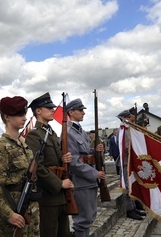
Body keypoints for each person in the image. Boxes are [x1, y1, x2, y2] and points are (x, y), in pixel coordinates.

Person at [24, 92, 74, 237]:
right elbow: (37, 167)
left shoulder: (51, 133)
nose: (53, 110)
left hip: (61, 195)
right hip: (48, 196)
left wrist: (64, 160)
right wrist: (59, 184)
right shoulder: (35, 135)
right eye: (48, 107)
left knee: (64, 233)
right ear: (38, 111)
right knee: (50, 233)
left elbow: (55, 161)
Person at [0, 96, 39, 237]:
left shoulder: (23, 143)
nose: (24, 117)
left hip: (31, 213)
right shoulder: (1, 146)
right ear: (7, 117)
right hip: (13, 214)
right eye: (19, 114)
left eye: (24, 114)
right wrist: (9, 214)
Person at [65, 98, 106, 237]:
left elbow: (86, 153)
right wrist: (95, 174)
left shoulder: (80, 131)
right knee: (83, 220)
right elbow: (74, 162)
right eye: (80, 110)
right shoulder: (68, 133)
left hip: (88, 182)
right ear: (71, 112)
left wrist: (96, 151)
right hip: (80, 181)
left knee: (89, 217)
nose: (83, 113)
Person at [117, 109, 146, 220]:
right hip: (125, 161)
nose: (131, 119)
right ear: (125, 118)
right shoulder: (122, 130)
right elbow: (125, 146)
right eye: (129, 118)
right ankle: (129, 209)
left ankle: (133, 207)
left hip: (130, 161)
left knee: (131, 185)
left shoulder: (128, 129)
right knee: (127, 186)